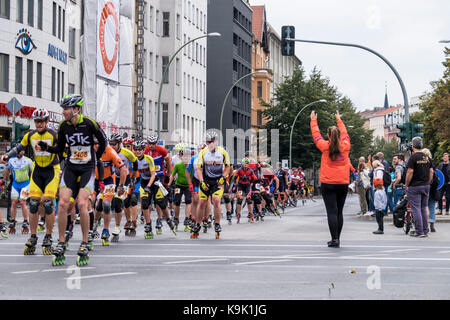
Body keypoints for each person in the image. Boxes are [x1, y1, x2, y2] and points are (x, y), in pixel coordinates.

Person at [38, 94, 107, 266]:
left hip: (87, 168)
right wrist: (47, 148)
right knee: (62, 203)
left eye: (66, 109)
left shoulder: (89, 123)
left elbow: (104, 141)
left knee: (82, 204)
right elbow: (60, 148)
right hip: (70, 166)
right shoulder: (63, 126)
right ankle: (61, 242)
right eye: (63, 109)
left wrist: (96, 158)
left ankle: (84, 242)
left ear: (76, 109)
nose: (63, 112)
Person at [2, 109, 60, 255]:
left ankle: (48, 236)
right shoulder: (31, 135)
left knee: (47, 203)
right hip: (38, 170)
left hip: (52, 170)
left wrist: (63, 167)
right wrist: (7, 156)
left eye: (41, 121)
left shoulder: (53, 134)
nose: (39, 124)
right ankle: (33, 237)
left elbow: (62, 150)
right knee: (33, 204)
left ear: (47, 121)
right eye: (36, 121)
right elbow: (19, 147)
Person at [310, 110, 351, 248]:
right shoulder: (345, 146)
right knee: (339, 212)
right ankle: (337, 239)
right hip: (343, 183)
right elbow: (345, 133)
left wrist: (313, 120)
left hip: (328, 183)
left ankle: (334, 239)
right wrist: (339, 120)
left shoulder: (324, 146)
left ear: (328, 136)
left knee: (331, 212)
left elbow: (316, 135)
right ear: (338, 135)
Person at [195, 131, 231, 239]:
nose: (210, 144)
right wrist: (201, 181)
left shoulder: (223, 152)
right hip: (206, 179)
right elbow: (199, 169)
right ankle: (197, 224)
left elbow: (228, 167)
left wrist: (223, 177)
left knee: (216, 200)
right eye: (208, 142)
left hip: (217, 181)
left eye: (212, 141)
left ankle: (217, 224)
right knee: (202, 202)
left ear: (216, 142)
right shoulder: (203, 152)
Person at [405, 137, 433, 238]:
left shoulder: (413, 158)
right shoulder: (426, 157)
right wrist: (428, 182)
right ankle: (425, 230)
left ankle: (419, 231)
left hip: (415, 186)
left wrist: (407, 184)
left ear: (413, 146)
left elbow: (410, 172)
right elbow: (431, 171)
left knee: (416, 209)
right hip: (426, 186)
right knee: (424, 207)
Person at [2, 149, 32, 234]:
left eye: (21, 151)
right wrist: (4, 181)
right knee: (14, 202)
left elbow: (33, 173)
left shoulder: (28, 161)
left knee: (22, 202)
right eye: (17, 152)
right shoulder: (12, 160)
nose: (19, 153)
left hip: (26, 185)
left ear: (24, 152)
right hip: (15, 185)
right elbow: (7, 170)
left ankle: (25, 221)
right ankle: (13, 220)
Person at [168, 143, 193, 231]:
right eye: (184, 157)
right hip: (178, 185)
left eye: (187, 157)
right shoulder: (178, 165)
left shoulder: (191, 166)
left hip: (188, 186)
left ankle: (187, 218)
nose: (185, 158)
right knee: (177, 202)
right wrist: (169, 184)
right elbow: (172, 175)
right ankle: (176, 219)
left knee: (188, 201)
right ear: (181, 157)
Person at [422, 148, 439, 232]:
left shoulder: (421, 163)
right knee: (431, 206)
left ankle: (424, 224)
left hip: (424, 186)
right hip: (432, 188)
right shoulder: (432, 163)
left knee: (424, 206)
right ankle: (432, 223)